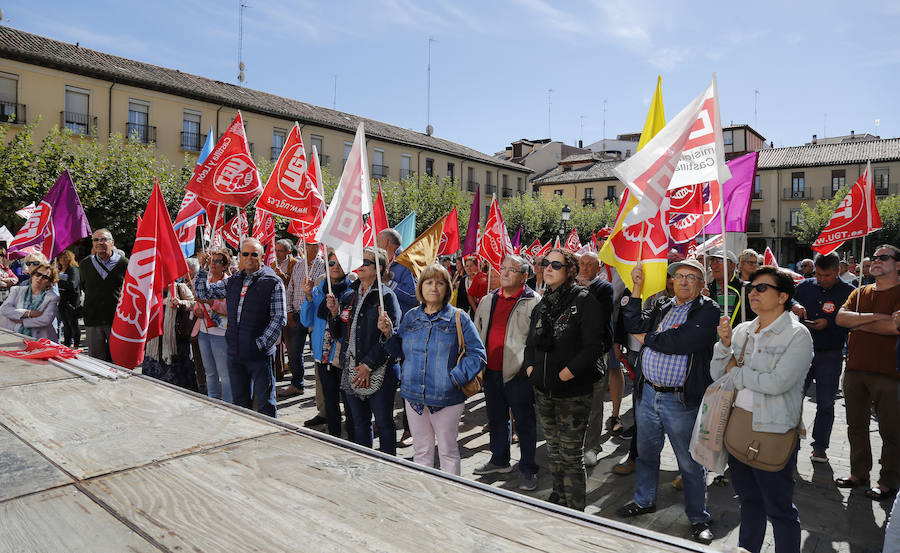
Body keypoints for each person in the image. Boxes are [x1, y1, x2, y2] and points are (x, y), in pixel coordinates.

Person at [616, 258, 718, 544]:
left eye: (691, 277)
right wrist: (637, 289)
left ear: (701, 284)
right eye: (679, 275)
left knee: (690, 462)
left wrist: (647, 338)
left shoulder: (708, 309)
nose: (683, 281)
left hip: (680, 399)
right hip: (648, 393)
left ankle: (698, 518)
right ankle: (644, 500)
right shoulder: (663, 305)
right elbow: (631, 322)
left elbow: (680, 342)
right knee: (646, 454)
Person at [712, 266, 812, 553]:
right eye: (751, 288)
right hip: (738, 426)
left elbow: (777, 383)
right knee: (748, 501)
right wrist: (724, 346)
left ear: (782, 296)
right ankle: (747, 548)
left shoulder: (797, 334)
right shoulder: (742, 329)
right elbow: (717, 373)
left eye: (761, 288)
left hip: (774, 430)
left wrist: (736, 372)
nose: (753, 293)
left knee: (780, 509)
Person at [381, 263, 486, 474]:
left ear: (447, 288)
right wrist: (388, 334)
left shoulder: (459, 317)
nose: (434, 287)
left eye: (440, 283)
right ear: (421, 287)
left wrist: (453, 379)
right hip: (413, 396)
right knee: (421, 451)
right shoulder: (411, 316)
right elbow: (399, 351)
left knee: (448, 451)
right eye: (428, 282)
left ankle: (450, 491)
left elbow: (478, 355)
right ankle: (424, 491)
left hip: (446, 398)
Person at [523, 248, 603, 511]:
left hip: (573, 393)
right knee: (553, 451)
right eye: (546, 263)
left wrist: (566, 373)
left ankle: (576, 510)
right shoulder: (542, 304)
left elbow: (593, 346)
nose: (548, 268)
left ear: (569, 271)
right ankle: (558, 500)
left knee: (570, 455)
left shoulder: (584, 301)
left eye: (556, 265)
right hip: (544, 390)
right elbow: (530, 343)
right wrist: (531, 369)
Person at [834, 244, 900, 501]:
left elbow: (894, 328)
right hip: (855, 370)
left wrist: (858, 322)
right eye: (874, 257)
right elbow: (841, 319)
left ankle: (888, 482)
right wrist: (879, 318)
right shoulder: (860, 292)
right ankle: (858, 474)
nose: (876, 260)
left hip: (891, 373)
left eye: (884, 257)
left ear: (898, 265)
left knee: (891, 432)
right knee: (856, 426)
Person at [194, 238, 286, 418]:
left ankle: (269, 436)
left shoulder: (273, 282)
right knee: (240, 405)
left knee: (265, 404)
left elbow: (279, 318)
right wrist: (204, 269)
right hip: (235, 354)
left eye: (254, 254)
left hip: (260, 356)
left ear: (262, 257)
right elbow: (204, 293)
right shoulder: (234, 281)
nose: (250, 258)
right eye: (245, 254)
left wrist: (259, 345)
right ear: (240, 257)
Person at [472, 254, 541, 489]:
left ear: (524, 276)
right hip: (491, 371)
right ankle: (499, 460)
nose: (504, 272)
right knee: (496, 418)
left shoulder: (534, 302)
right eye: (503, 267)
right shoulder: (488, 300)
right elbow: (477, 332)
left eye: (512, 269)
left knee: (525, 422)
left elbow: (537, 340)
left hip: (518, 374)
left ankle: (528, 468)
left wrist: (528, 369)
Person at [327, 247, 402, 454]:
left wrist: (368, 365)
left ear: (378, 269)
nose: (360, 265)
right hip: (352, 368)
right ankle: (365, 463)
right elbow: (339, 334)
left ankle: (388, 465)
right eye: (359, 261)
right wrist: (334, 314)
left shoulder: (387, 297)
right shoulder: (349, 295)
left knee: (384, 422)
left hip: (380, 371)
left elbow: (392, 337)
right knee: (359, 422)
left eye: (366, 262)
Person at [792, 252, 854, 463]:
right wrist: (795, 305)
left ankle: (820, 447)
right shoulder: (805, 285)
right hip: (801, 351)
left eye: (826, 275)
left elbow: (852, 322)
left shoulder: (849, 292)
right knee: (793, 398)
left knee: (826, 403)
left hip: (831, 354)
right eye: (818, 274)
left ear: (838, 272)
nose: (821, 279)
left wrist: (831, 323)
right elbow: (788, 298)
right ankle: (791, 441)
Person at [300, 250, 354, 439]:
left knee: (349, 402)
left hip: (343, 355)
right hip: (322, 355)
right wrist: (308, 297)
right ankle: (334, 436)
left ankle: (353, 439)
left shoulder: (352, 292)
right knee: (330, 400)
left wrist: (336, 311)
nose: (335, 267)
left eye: (340, 264)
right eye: (331, 263)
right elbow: (306, 321)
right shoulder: (316, 291)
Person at [574, 253, 614, 468]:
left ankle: (591, 447)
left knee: (595, 403)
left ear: (599, 268)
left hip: (596, 354)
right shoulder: (570, 286)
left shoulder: (604, 288)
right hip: (573, 354)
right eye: (582, 263)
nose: (585, 268)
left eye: (591, 264)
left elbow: (600, 316)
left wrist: (586, 291)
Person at [285, 241, 328, 419]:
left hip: (315, 317)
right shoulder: (298, 265)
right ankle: (297, 384)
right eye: (306, 244)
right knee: (294, 352)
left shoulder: (324, 266)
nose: (308, 247)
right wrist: (289, 311)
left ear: (318, 247)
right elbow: (291, 288)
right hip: (297, 315)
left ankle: (322, 393)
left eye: (312, 244)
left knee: (317, 354)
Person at [80, 229, 129, 361]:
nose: (99, 243)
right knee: (96, 361)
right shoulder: (85, 264)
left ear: (112, 242)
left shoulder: (124, 263)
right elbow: (84, 287)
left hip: (117, 319)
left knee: (118, 359)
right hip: (93, 318)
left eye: (104, 239)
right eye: (96, 240)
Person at [140, 279, 197, 391]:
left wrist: (181, 303)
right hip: (155, 339)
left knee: (177, 370)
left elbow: (194, 304)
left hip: (175, 340)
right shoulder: (151, 289)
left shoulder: (180, 288)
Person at [194, 249, 232, 403]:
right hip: (204, 331)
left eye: (217, 261)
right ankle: (212, 400)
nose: (213, 264)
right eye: (212, 260)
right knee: (209, 371)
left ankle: (228, 403)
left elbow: (228, 309)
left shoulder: (229, 282)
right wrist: (196, 309)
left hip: (221, 333)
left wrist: (210, 302)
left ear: (225, 266)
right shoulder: (206, 280)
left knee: (225, 373)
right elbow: (197, 300)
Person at [1, 262, 60, 339]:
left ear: (49, 282)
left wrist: (21, 321)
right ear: (32, 276)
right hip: (15, 335)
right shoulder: (16, 290)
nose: (40, 278)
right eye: (38, 274)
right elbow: (4, 309)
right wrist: (28, 313)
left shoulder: (52, 297)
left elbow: (45, 319)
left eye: (45, 277)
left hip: (40, 338)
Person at [271, 239, 299, 395]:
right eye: (275, 250)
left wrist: (283, 276)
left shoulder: (295, 264)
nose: (277, 253)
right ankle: (279, 370)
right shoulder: (272, 264)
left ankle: (296, 380)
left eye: (280, 251)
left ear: (288, 252)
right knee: (277, 343)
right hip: (276, 309)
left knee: (291, 346)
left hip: (290, 310)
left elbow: (295, 284)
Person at [377, 228, 418, 316]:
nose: (375, 244)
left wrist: (389, 283)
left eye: (377, 241)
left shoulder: (406, 262)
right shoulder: (377, 261)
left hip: (400, 320)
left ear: (386, 242)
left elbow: (414, 297)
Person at [708, 249, 754, 326]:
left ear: (732, 266)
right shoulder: (707, 290)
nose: (714, 266)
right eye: (712, 261)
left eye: (720, 261)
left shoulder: (746, 289)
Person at [55, 250, 81, 348]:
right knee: (66, 324)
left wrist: (57, 281)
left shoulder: (73, 269)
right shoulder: (59, 269)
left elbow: (72, 284)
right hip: (62, 301)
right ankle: (67, 344)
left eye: (65, 257)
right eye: (61, 257)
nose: (63, 259)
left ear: (70, 258)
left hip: (71, 301)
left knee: (73, 324)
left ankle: (76, 344)